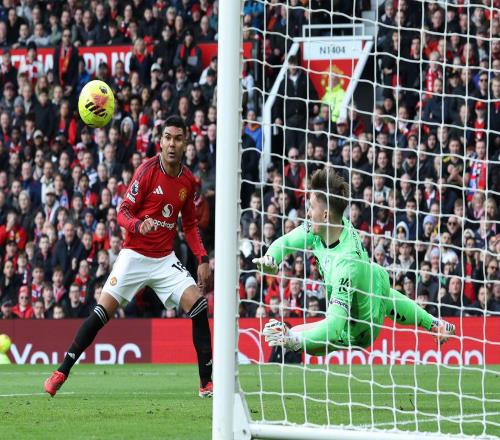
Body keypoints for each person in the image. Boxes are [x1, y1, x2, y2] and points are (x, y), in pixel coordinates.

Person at [44, 116, 213, 398]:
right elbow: (123, 211)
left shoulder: (187, 180)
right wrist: (137, 225)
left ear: (186, 143)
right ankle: (62, 371)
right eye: (168, 138)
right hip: (134, 255)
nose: (172, 144)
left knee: (198, 306)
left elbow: (190, 224)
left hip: (164, 259)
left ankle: (206, 384)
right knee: (101, 313)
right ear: (160, 141)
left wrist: (203, 258)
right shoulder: (146, 171)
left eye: (178, 138)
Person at [254, 168, 455, 356]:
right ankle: (435, 323)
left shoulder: (346, 264)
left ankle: (295, 339)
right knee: (383, 294)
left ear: (325, 215)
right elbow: (288, 241)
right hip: (374, 281)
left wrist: (294, 340)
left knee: (304, 339)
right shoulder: (326, 227)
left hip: (362, 325)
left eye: (311, 208)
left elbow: (333, 328)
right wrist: (271, 257)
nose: (307, 213)